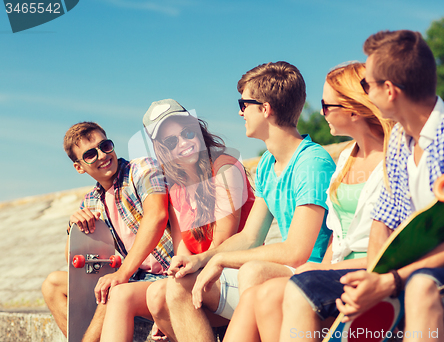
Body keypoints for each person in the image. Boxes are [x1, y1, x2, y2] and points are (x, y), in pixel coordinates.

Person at [279, 30, 444, 342]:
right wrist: (371, 279)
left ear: (390, 90)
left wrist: (389, 282)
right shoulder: (399, 139)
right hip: (403, 274)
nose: (365, 93)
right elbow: (384, 218)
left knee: (423, 286)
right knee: (303, 288)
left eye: (367, 84)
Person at [145, 61, 336, 342]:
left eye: (244, 104)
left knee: (254, 271)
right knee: (177, 287)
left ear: (265, 108)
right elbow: (250, 236)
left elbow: (297, 251)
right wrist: (202, 259)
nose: (240, 111)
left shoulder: (312, 161)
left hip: (311, 273)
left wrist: (220, 258)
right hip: (286, 270)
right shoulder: (269, 164)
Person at [222, 62, 395, 342]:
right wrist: (208, 260)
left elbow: (380, 247)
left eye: (327, 107)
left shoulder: (387, 159)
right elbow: (336, 236)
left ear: (352, 108)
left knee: (262, 285)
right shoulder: (346, 159)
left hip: (366, 270)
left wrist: (320, 268)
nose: (320, 112)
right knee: (254, 292)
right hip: (333, 267)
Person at [100, 99, 255, 341]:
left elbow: (223, 245)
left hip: (233, 274)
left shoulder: (226, 168)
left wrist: (171, 298)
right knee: (135, 296)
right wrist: (176, 274)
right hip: (198, 277)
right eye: (171, 141)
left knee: (166, 293)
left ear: (198, 130)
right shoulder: (175, 187)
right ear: (161, 148)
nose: (183, 143)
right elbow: (181, 249)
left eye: (188, 133)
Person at [41, 122, 174, 342]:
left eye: (105, 146)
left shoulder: (141, 169)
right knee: (52, 284)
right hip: (135, 279)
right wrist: (74, 227)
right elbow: (75, 265)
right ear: (79, 167)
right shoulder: (92, 201)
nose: (102, 155)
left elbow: (157, 217)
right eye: (91, 154)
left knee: (111, 289)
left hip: (165, 276)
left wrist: (121, 275)